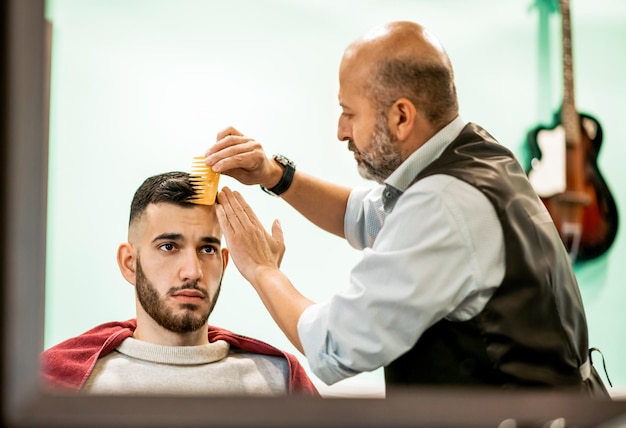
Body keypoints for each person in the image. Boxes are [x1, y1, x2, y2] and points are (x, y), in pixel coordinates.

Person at [206, 21, 609, 396]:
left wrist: (261, 269)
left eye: (350, 113)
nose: (341, 130)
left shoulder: (444, 204)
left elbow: (332, 346)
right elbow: (365, 215)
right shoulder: (475, 155)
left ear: (401, 116)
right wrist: (274, 174)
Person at [41, 171, 318, 396]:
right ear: (129, 263)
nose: (192, 272)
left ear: (224, 261)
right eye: (169, 246)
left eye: (207, 249)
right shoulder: (56, 384)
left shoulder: (279, 379)